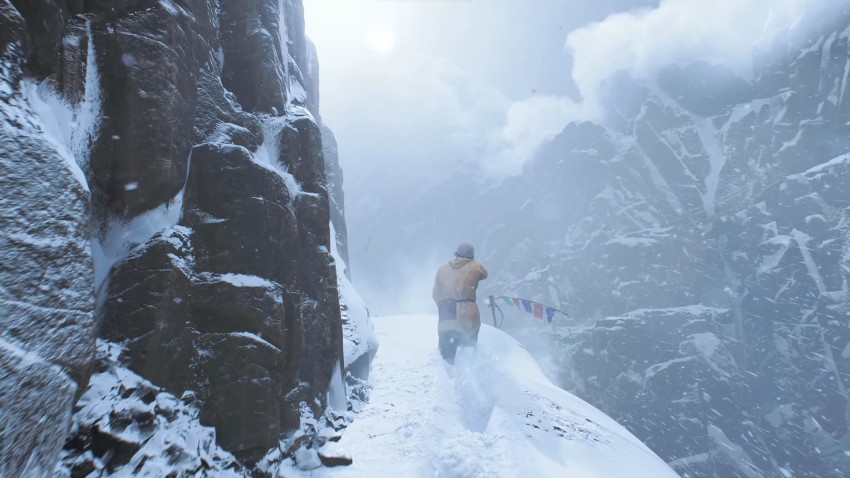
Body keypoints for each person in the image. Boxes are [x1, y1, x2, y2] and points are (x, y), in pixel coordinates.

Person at [432, 242, 488, 363]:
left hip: (447, 308)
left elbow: (435, 294)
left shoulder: (442, 270)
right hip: (468, 309)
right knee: (468, 350)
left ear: (456, 254)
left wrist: (446, 305)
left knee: (445, 354)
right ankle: (469, 377)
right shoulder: (475, 267)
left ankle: (447, 376)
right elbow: (485, 274)